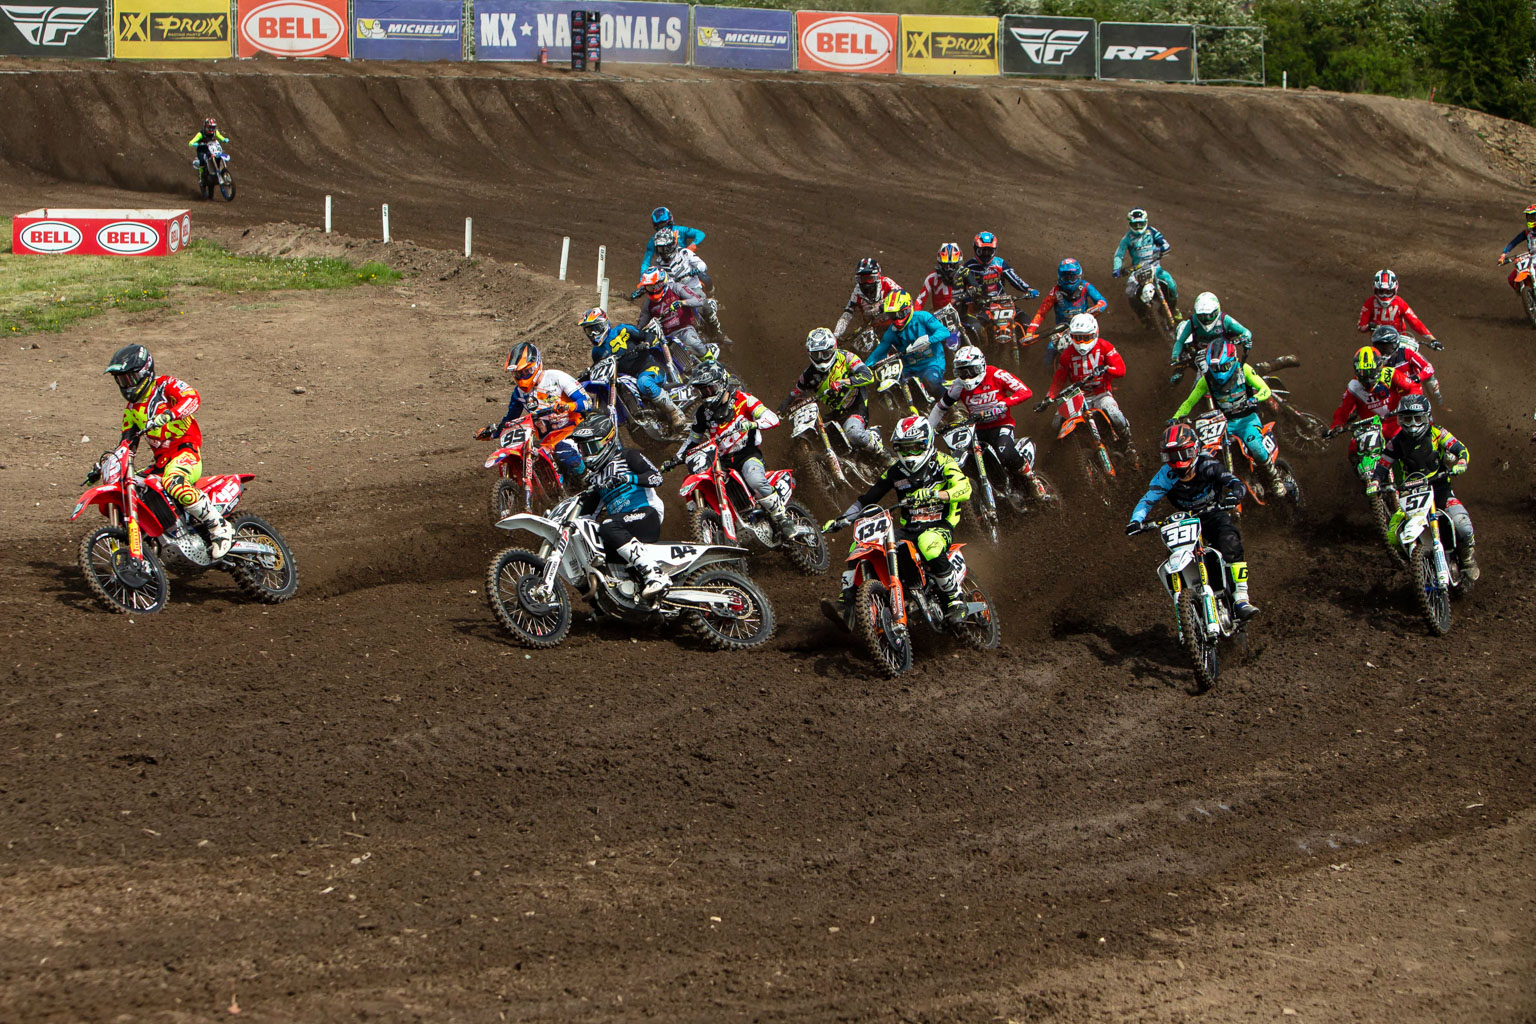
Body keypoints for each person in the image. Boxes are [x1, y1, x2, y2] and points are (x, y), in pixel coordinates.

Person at [821, 414, 973, 628]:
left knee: (928, 544)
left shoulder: (943, 462)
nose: (909, 454)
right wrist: (842, 519)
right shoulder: (896, 471)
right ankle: (847, 603)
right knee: (860, 545)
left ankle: (954, 600)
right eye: (904, 449)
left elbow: (964, 489)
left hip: (939, 526)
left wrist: (937, 495)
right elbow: (867, 499)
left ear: (927, 444)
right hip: (910, 528)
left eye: (915, 448)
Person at [101, 344, 234, 558]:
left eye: (131, 378)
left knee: (174, 483)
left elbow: (193, 398)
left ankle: (218, 526)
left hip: (185, 453)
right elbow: (127, 445)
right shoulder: (131, 411)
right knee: (131, 488)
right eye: (122, 380)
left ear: (145, 372)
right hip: (161, 463)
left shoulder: (165, 385)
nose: (127, 385)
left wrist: (171, 414)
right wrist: (108, 465)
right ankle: (153, 539)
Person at [1127, 423, 1258, 618]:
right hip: (1187, 522)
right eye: (1171, 456)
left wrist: (1234, 496)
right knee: (1173, 556)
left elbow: (1236, 483)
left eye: (1182, 454)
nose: (1178, 461)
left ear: (1194, 449)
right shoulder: (1165, 475)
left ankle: (1241, 598)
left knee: (1230, 541)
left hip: (1214, 514)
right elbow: (1148, 500)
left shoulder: (1208, 465)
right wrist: (1136, 520)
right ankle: (1188, 607)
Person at [673, 363, 806, 540]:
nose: (707, 394)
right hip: (721, 461)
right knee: (705, 484)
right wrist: (675, 458)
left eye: (710, 389)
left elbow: (772, 418)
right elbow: (692, 439)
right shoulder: (702, 413)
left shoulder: (744, 399)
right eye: (703, 391)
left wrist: (753, 423)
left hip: (747, 455)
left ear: (721, 384)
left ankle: (783, 519)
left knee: (755, 479)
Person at [1374, 394, 1478, 581]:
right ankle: (1417, 564)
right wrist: (1375, 481)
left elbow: (1460, 448)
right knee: (1393, 536)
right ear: (1400, 420)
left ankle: (1467, 559)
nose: (1412, 425)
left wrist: (1461, 462)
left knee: (1462, 524)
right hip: (1410, 493)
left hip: (1439, 488)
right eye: (1407, 419)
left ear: (1427, 417)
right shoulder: (1396, 442)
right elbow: (1382, 465)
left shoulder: (1437, 433)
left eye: (1417, 418)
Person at [1170, 339, 1291, 500]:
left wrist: (1255, 399)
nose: (1219, 372)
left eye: (1224, 367)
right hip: (1225, 424)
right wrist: (1175, 418)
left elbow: (1265, 389)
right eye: (1215, 368)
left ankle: (1275, 479)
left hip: (1247, 419)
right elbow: (1189, 402)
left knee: (1255, 446)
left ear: (1233, 360)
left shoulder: (1243, 369)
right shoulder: (1207, 380)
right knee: (1207, 452)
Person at [568, 414, 672, 600]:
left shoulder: (628, 456)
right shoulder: (595, 479)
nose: (587, 454)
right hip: (622, 525)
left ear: (607, 441)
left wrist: (627, 478)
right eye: (583, 449)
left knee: (608, 525)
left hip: (646, 514)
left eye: (592, 447)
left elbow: (656, 478)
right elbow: (588, 516)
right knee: (591, 543)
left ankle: (655, 574)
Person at [927, 344, 1046, 498]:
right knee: (962, 460)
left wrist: (1003, 404)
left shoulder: (996, 374)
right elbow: (940, 407)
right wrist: (928, 430)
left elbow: (1025, 391)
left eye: (970, 370)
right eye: (962, 372)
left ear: (981, 365)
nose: (967, 376)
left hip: (1001, 425)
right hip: (976, 429)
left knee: (1005, 452)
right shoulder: (958, 385)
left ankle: (1032, 479)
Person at [475, 340, 592, 477]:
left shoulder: (557, 378)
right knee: (536, 464)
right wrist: (492, 433)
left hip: (573, 430)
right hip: (548, 440)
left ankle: (587, 479)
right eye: (518, 374)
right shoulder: (519, 393)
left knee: (564, 453)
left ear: (536, 365)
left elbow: (587, 402)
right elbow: (510, 420)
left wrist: (569, 406)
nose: (522, 377)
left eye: (526, 371)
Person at [781, 327, 887, 462]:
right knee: (812, 434)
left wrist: (844, 382)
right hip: (837, 412)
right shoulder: (808, 375)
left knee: (853, 433)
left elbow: (868, 376)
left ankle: (882, 452)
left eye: (825, 353)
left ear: (833, 348)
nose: (821, 359)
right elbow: (796, 393)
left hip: (856, 406)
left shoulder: (846, 357)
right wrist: (781, 409)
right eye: (816, 355)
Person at [580, 308, 687, 430]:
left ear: (603, 324)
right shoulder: (597, 352)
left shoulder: (622, 330)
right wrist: (586, 374)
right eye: (589, 330)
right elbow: (600, 367)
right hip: (627, 379)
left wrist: (646, 343)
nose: (592, 334)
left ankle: (675, 413)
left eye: (595, 328)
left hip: (649, 368)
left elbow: (647, 334)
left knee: (644, 382)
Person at [1045, 313, 1131, 446]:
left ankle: (1127, 442)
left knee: (1113, 412)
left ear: (1094, 334)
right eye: (1077, 338)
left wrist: (1106, 369)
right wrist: (1048, 398)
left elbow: (1121, 370)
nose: (1081, 342)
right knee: (1056, 423)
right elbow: (1058, 380)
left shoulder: (1104, 346)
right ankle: (1062, 451)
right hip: (1077, 397)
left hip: (1101, 394)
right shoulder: (1067, 355)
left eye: (1085, 338)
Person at [647, 228, 729, 344]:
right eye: (660, 248)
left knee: (703, 303)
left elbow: (702, 265)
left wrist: (696, 270)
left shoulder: (684, 253)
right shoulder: (657, 264)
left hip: (693, 288)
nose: (663, 251)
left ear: (672, 245)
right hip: (674, 293)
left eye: (665, 248)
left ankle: (718, 332)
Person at [867, 289, 954, 397]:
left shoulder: (922, 317)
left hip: (931, 362)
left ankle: (950, 404)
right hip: (909, 369)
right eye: (893, 315)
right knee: (886, 385)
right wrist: (863, 368)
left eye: (900, 313)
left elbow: (944, 332)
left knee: (930, 381)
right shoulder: (891, 332)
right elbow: (878, 353)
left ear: (907, 310)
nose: (897, 318)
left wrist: (928, 341)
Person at [1024, 257, 1107, 350]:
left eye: (1072, 278)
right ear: (1060, 278)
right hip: (1062, 330)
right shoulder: (1055, 292)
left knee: (1097, 347)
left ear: (1079, 276)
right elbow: (1041, 312)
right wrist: (1030, 332)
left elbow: (1102, 301)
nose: (1069, 281)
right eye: (1065, 278)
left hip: (1084, 327)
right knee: (1051, 349)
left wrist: (1098, 306)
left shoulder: (1085, 286)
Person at [1169, 291, 1252, 383]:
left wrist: (1244, 338)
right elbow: (1180, 341)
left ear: (1217, 310)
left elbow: (1246, 331)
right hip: (1202, 356)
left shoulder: (1224, 319)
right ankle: (1180, 370)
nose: (1206, 319)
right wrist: (1175, 356)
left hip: (1224, 354)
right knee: (1200, 381)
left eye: (1210, 316)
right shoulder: (1193, 321)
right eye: (1202, 316)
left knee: (1238, 377)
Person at [1112, 208, 1179, 318]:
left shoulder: (1152, 232)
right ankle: (1142, 316)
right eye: (1135, 224)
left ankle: (1174, 309)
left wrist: (1161, 249)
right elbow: (1119, 254)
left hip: (1155, 266)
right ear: (1130, 224)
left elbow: (1165, 243)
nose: (1138, 227)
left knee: (1170, 283)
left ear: (1146, 221)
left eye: (1141, 224)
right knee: (1130, 292)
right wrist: (1116, 269)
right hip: (1137, 270)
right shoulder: (1127, 238)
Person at [1328, 345, 1402, 444]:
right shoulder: (1353, 386)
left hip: (1397, 423)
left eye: (1371, 372)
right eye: (1363, 372)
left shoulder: (1389, 373)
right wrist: (1335, 426)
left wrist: (1411, 403)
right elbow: (1342, 412)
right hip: (1372, 429)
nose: (1368, 378)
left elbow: (1412, 387)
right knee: (1354, 448)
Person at [637, 267, 711, 364]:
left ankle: (712, 362)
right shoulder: (648, 304)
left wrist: (682, 302)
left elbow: (699, 300)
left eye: (653, 286)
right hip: (665, 337)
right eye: (649, 287)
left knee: (692, 342)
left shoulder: (676, 288)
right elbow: (641, 324)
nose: (652, 290)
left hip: (684, 328)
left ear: (661, 283)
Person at [1356, 269, 1441, 349]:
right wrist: (1369, 326)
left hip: (1400, 342)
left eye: (1388, 292)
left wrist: (1433, 339)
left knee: (1412, 357)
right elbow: (1361, 326)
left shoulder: (1399, 303)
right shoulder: (1369, 303)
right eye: (1381, 292)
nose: (1385, 296)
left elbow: (1414, 322)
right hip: (1380, 344)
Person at [833, 257, 903, 342]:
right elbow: (847, 314)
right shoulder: (857, 292)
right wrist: (836, 335)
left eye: (869, 279)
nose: (866, 283)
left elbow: (904, 296)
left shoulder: (886, 283)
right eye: (863, 279)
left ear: (877, 277)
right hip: (874, 329)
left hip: (895, 323)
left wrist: (886, 305)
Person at [1370, 324, 1441, 403]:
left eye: (1386, 347)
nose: (1383, 351)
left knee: (1430, 380)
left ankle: (1439, 404)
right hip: (1391, 398)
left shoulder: (1406, 353)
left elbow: (1429, 368)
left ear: (1395, 345)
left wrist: (1418, 377)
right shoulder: (1373, 360)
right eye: (1379, 347)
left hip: (1412, 393)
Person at [963, 231, 1038, 299]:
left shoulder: (999, 263)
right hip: (978, 304)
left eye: (989, 251)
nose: (986, 254)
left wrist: (1028, 289)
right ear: (975, 249)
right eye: (982, 251)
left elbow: (1014, 278)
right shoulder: (968, 267)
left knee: (1019, 311)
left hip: (1001, 301)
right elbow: (959, 286)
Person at [641, 206, 705, 272]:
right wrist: (644, 277)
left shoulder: (680, 230)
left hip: (685, 262)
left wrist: (692, 245)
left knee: (700, 272)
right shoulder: (653, 240)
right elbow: (646, 262)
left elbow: (700, 234)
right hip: (666, 269)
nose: (663, 228)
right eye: (660, 226)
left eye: (664, 224)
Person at [914, 242, 965, 313]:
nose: (949, 269)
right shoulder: (932, 278)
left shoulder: (965, 275)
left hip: (961, 316)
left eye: (952, 266)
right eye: (946, 266)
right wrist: (914, 316)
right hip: (939, 318)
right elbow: (920, 301)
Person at [1497, 204, 1536, 293]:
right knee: (1512, 278)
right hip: (1532, 258)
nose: (1530, 219)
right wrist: (1503, 254)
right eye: (1529, 217)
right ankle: (1528, 296)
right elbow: (1514, 242)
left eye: (1533, 217)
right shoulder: (1527, 233)